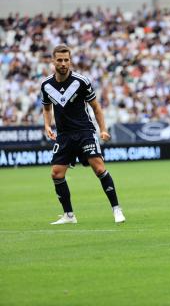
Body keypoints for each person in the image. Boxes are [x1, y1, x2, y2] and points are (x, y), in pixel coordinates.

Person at [41, 44, 126, 224]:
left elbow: (96, 107)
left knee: (99, 168)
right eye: (60, 60)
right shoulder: (46, 85)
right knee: (56, 174)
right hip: (64, 135)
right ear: (53, 61)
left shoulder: (81, 81)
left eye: (66, 60)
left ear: (70, 61)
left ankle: (116, 209)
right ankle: (69, 216)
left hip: (84, 131)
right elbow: (47, 108)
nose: (63, 63)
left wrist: (103, 129)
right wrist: (47, 125)